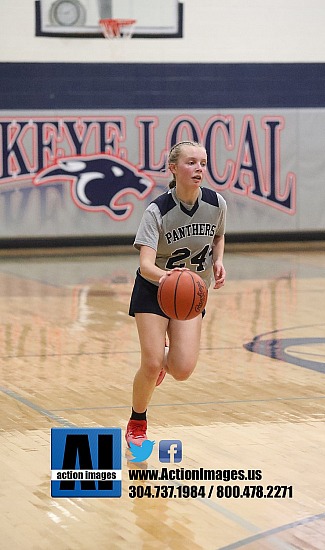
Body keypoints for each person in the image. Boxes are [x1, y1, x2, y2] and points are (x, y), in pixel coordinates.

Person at [126, 140, 227, 447]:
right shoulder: (157, 210)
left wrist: (219, 260)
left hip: (191, 294)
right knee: (153, 362)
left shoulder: (216, 203)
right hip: (154, 291)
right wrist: (171, 278)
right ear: (173, 168)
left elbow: (219, 235)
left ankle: (162, 359)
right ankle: (137, 422)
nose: (199, 169)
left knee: (182, 370)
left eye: (203, 163)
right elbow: (145, 265)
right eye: (191, 163)